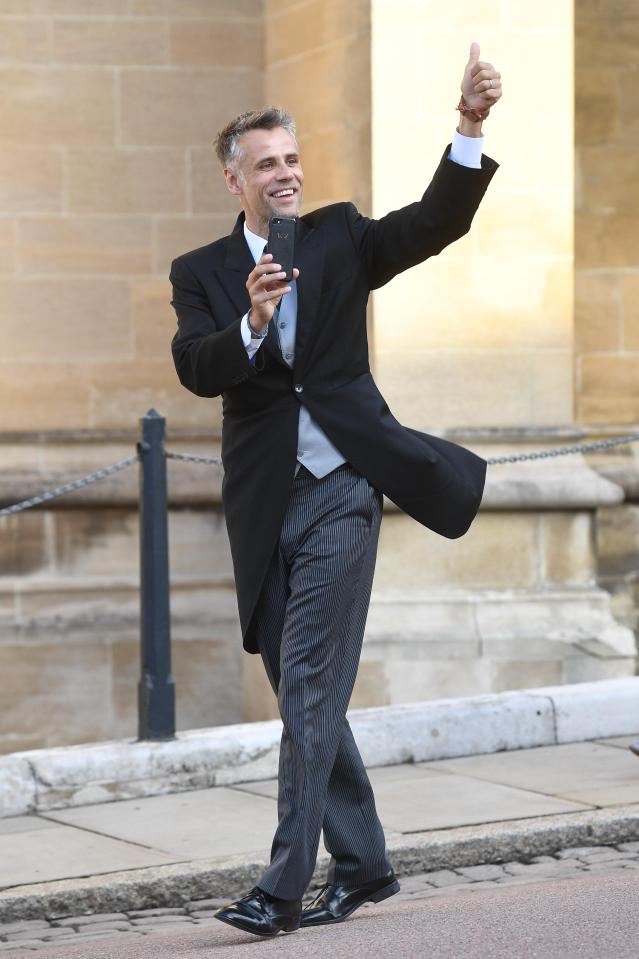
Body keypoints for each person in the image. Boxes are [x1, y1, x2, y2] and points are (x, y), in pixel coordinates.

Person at [170, 41, 502, 939]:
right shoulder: (200, 272)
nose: (285, 175)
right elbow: (195, 368)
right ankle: (364, 865)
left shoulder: (340, 235)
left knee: (310, 684)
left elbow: (432, 221)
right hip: (261, 511)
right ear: (233, 179)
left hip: (344, 494)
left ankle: (280, 887)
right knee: (307, 696)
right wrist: (251, 320)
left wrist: (467, 125)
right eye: (266, 164)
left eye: (291, 160)